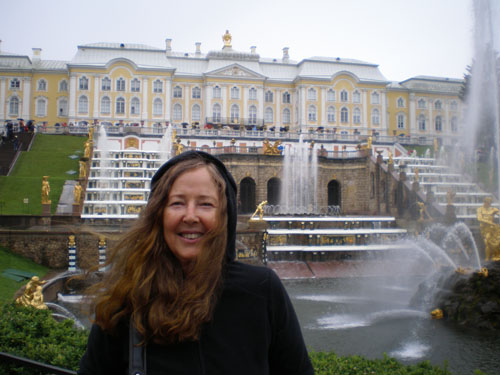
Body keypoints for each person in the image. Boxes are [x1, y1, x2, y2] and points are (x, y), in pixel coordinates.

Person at [78, 150, 313, 375]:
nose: (190, 216)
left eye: (205, 204)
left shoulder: (262, 289)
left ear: (224, 217)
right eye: (177, 203)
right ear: (158, 214)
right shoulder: (126, 298)